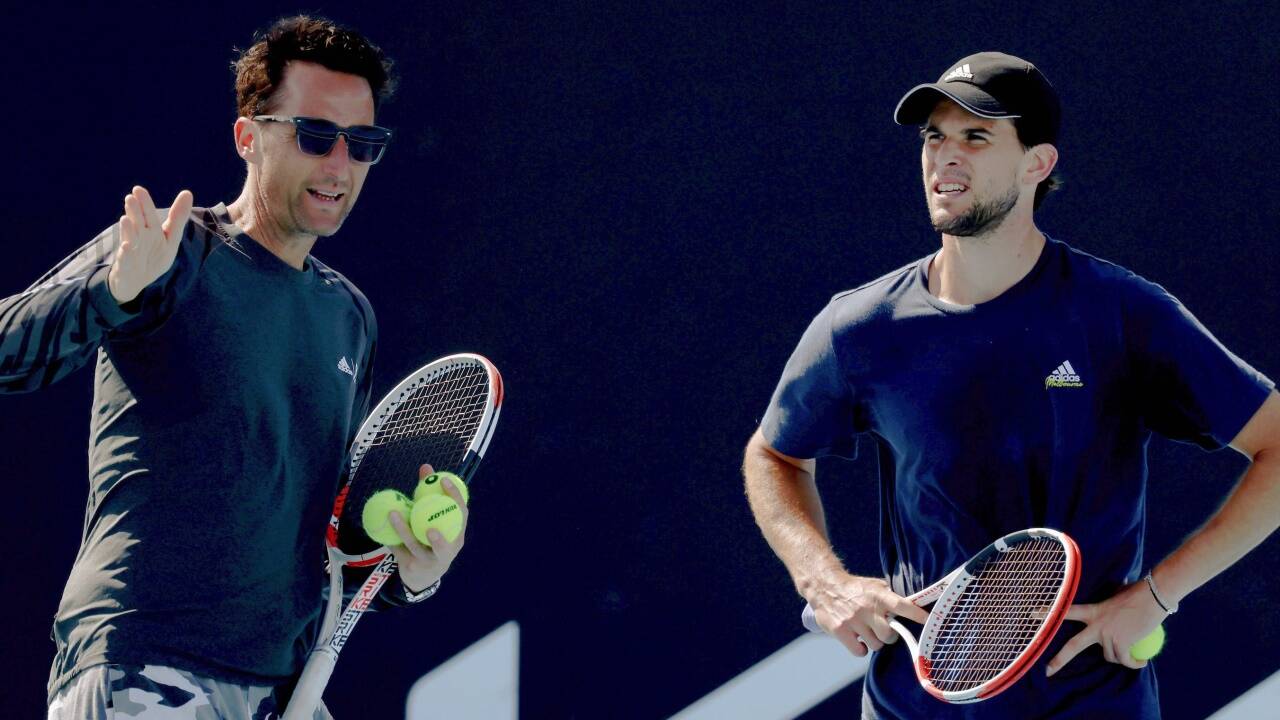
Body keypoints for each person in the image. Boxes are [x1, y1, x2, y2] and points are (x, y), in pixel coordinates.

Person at [743, 51, 1280, 719]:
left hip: (1089, 704)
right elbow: (773, 455)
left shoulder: (1123, 313)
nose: (945, 158)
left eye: (976, 136)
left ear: (1037, 164)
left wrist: (1155, 596)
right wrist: (824, 581)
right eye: (934, 137)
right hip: (915, 704)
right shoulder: (860, 326)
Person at [0, 16, 468, 719]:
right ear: (249, 137)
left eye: (362, 144)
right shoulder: (174, 249)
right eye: (315, 137)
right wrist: (112, 293)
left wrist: (415, 572)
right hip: (145, 667)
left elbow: (328, 531)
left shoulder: (350, 317)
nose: (340, 165)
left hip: (278, 693)